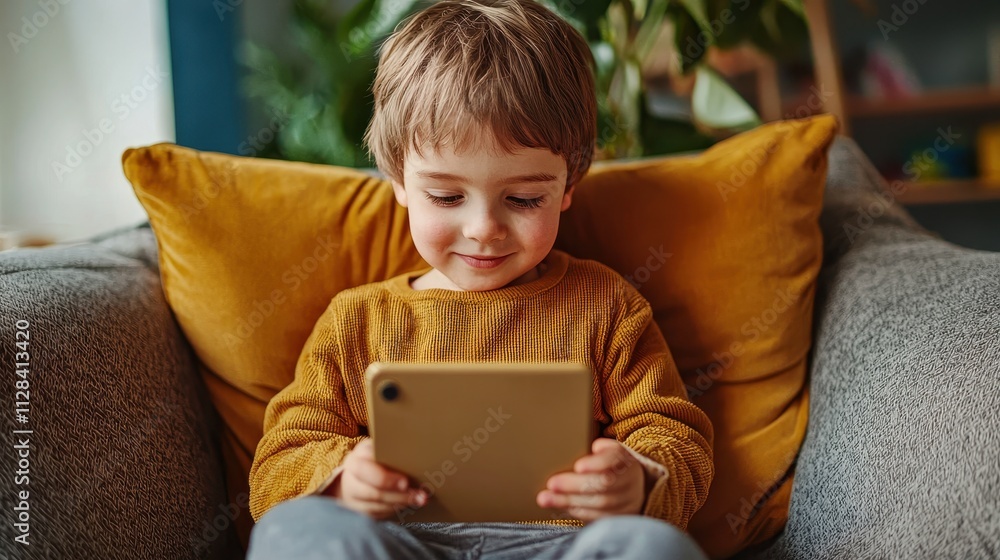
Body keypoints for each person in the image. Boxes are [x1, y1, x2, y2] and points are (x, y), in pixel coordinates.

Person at [246, 0, 714, 558]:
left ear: (568, 186)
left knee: (654, 548)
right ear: (397, 179)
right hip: (403, 543)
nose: (484, 229)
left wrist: (635, 479)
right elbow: (277, 466)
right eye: (446, 196)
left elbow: (676, 438)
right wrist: (342, 479)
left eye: (523, 198)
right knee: (287, 537)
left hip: (559, 546)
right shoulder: (357, 319)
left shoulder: (607, 305)